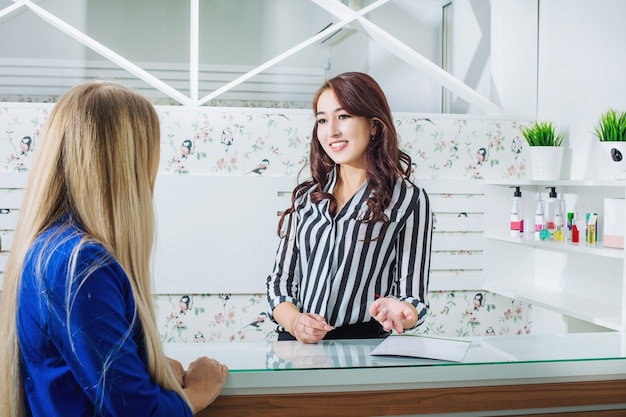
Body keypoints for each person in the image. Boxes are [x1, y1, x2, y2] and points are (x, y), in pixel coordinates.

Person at [0, 81, 228, 417]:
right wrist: (197, 392)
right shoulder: (81, 265)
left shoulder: (53, 250)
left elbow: (75, 365)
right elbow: (138, 414)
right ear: (127, 166)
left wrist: (137, 359)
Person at [266, 72, 433, 344]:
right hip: (293, 345)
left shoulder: (409, 199)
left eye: (343, 116)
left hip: (362, 347)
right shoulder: (307, 197)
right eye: (322, 119)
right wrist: (296, 322)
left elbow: (414, 298)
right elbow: (279, 282)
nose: (331, 130)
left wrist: (402, 313)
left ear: (374, 125)